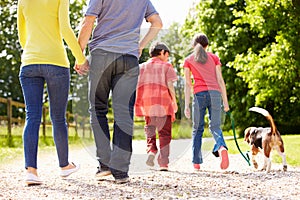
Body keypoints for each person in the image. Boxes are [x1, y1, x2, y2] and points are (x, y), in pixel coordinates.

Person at [75, 0, 162, 183]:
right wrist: (140, 45)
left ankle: (105, 164)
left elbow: (88, 20)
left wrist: (79, 54)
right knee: (124, 112)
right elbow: (157, 23)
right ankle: (121, 171)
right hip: (128, 59)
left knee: (98, 109)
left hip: (102, 56)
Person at [17, 0, 89, 186]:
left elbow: (22, 36)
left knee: (32, 116)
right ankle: (64, 166)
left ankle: (31, 171)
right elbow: (65, 29)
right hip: (56, 62)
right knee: (58, 118)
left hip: (30, 62)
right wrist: (80, 58)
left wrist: (33, 51)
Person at [183, 33, 230, 171]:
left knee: (197, 129)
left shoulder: (188, 60)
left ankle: (196, 161)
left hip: (199, 95)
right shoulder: (214, 58)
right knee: (215, 127)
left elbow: (187, 84)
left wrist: (186, 105)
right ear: (207, 45)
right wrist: (225, 102)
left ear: (193, 45)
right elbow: (220, 81)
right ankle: (221, 146)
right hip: (215, 94)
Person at [135, 42, 178, 171]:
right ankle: (163, 163)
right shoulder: (166, 66)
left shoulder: (141, 67)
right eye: (167, 55)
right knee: (164, 133)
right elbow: (170, 85)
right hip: (164, 103)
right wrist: (174, 101)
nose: (167, 58)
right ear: (162, 53)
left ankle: (151, 151)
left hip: (148, 104)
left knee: (150, 129)